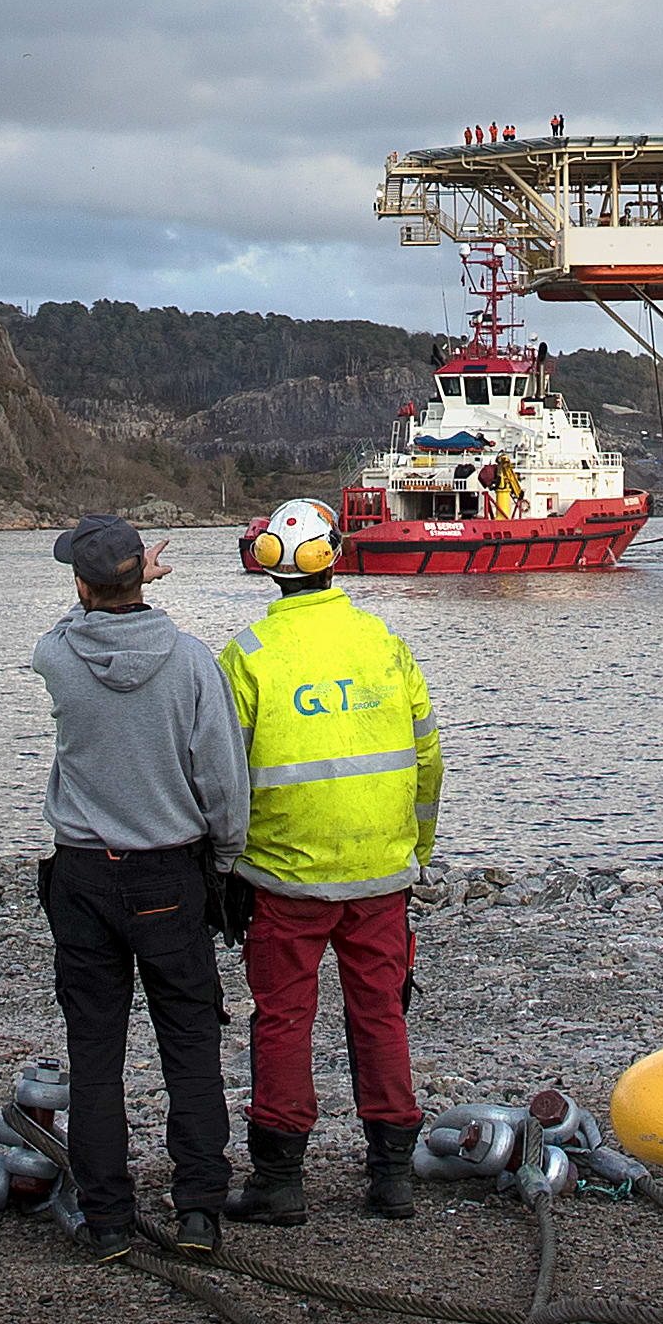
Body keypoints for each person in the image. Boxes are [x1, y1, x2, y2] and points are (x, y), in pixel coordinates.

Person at [217, 496, 444, 1225]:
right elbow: (428, 758)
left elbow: (221, 777)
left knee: (283, 1018)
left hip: (283, 878)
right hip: (380, 876)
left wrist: (224, 864)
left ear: (267, 564)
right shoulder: (384, 643)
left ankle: (280, 1182)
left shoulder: (247, 656)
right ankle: (393, 1177)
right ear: (335, 557)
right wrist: (415, 852)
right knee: (381, 1014)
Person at [28, 512, 248, 1257]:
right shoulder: (191, 661)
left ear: (81, 585)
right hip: (170, 872)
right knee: (190, 1043)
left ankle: (108, 1219)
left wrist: (111, 590)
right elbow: (223, 781)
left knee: (95, 1051)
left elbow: (67, 626)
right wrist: (225, 860)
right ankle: (199, 1212)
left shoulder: (58, 656)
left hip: (83, 873)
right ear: (140, 579)